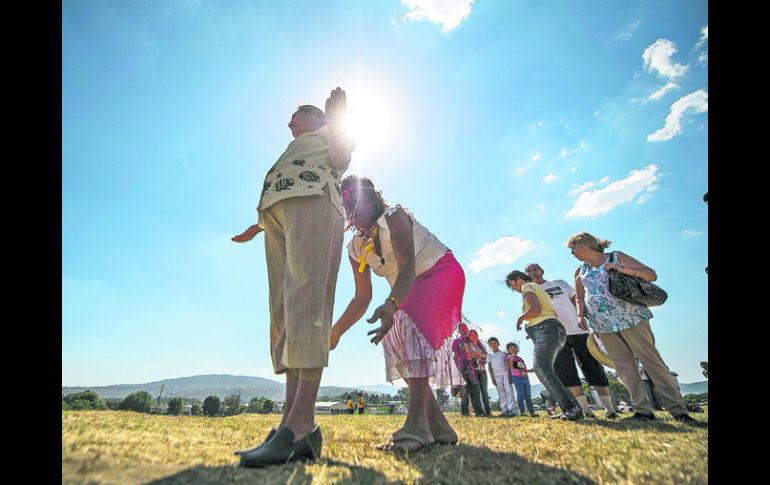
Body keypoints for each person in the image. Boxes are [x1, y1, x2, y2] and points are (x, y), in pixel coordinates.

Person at [233, 88, 355, 467]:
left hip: (315, 203)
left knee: (307, 302)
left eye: (297, 116)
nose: (290, 122)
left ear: (317, 118)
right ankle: (288, 419)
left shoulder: (329, 132)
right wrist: (259, 225)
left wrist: (339, 115)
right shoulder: (298, 146)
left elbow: (342, 157)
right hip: (277, 219)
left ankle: (302, 424)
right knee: (284, 311)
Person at [329, 175, 465, 451]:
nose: (351, 209)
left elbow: (407, 267)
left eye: (355, 199)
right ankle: (439, 427)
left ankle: (417, 427)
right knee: (397, 344)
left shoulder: (394, 217)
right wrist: (335, 332)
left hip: (440, 273)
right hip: (408, 291)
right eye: (346, 203)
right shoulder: (355, 248)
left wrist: (391, 305)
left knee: (405, 324)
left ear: (371, 198)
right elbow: (362, 297)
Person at [567, 231, 706, 426]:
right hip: (603, 323)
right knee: (624, 366)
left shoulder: (616, 256)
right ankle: (642, 410)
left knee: (651, 361)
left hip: (631, 317)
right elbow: (580, 297)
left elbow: (651, 274)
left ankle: (678, 410)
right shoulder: (579, 270)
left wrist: (621, 269)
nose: (572, 252)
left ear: (586, 244)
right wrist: (581, 315)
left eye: (573, 247)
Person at [524, 263, 618, 419]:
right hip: (556, 336)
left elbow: (576, 300)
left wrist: (585, 317)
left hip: (580, 330)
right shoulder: (530, 293)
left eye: (535, 269)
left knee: (594, 369)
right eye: (529, 271)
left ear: (542, 271)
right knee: (568, 374)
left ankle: (610, 409)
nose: (533, 272)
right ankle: (586, 411)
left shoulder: (559, 283)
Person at [505, 270, 583, 420]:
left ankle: (571, 407)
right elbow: (546, 311)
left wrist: (521, 318)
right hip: (553, 330)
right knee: (547, 370)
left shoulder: (527, 287)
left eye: (512, 285)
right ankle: (571, 407)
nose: (513, 289)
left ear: (517, 279)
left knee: (541, 368)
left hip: (547, 330)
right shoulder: (537, 288)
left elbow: (536, 309)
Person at [452, 322, 486, 417]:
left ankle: (479, 412)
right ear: (459, 331)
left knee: (476, 388)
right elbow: (455, 356)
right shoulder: (456, 341)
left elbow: (481, 351)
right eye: (461, 329)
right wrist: (457, 369)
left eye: (465, 328)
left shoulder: (472, 338)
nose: (463, 330)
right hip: (463, 367)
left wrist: (482, 362)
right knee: (464, 389)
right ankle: (465, 411)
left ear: (467, 328)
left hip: (474, 367)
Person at [487, 337, 518, 416]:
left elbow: (509, 365)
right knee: (501, 393)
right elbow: (490, 367)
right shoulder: (490, 355)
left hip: (506, 374)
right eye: (491, 343)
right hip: (496, 376)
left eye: (495, 343)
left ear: (498, 344)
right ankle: (504, 410)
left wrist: (510, 376)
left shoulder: (504, 354)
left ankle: (512, 410)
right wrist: (492, 378)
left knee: (509, 391)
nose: (493, 345)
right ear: (489, 345)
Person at [506, 342, 536, 416]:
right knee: (521, 395)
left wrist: (530, 370)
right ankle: (522, 412)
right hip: (517, 378)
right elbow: (509, 367)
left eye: (514, 347)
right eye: (511, 348)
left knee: (528, 396)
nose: (513, 349)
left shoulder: (520, 358)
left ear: (517, 349)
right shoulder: (509, 357)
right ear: (508, 350)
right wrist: (512, 358)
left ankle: (532, 412)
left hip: (525, 379)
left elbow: (522, 368)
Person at [467, 330, 492, 416]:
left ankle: (488, 411)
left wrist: (476, 354)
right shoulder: (468, 345)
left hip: (482, 370)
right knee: (476, 391)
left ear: (477, 336)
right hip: (473, 370)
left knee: (484, 391)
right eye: (470, 335)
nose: (472, 336)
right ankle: (479, 411)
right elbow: (469, 355)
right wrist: (480, 355)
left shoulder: (481, 346)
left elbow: (486, 355)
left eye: (474, 334)